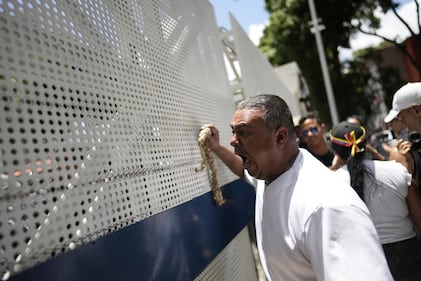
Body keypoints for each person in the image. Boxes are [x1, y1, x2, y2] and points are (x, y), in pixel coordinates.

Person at [203, 94, 393, 281]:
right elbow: (243, 170)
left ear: (280, 137)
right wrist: (217, 148)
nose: (233, 140)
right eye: (233, 132)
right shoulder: (269, 173)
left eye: (243, 132)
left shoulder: (327, 208)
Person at [329, 121, 421, 280]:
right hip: (409, 256)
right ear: (366, 144)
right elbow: (419, 218)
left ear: (335, 150)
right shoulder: (397, 171)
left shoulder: (332, 183)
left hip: (365, 260)